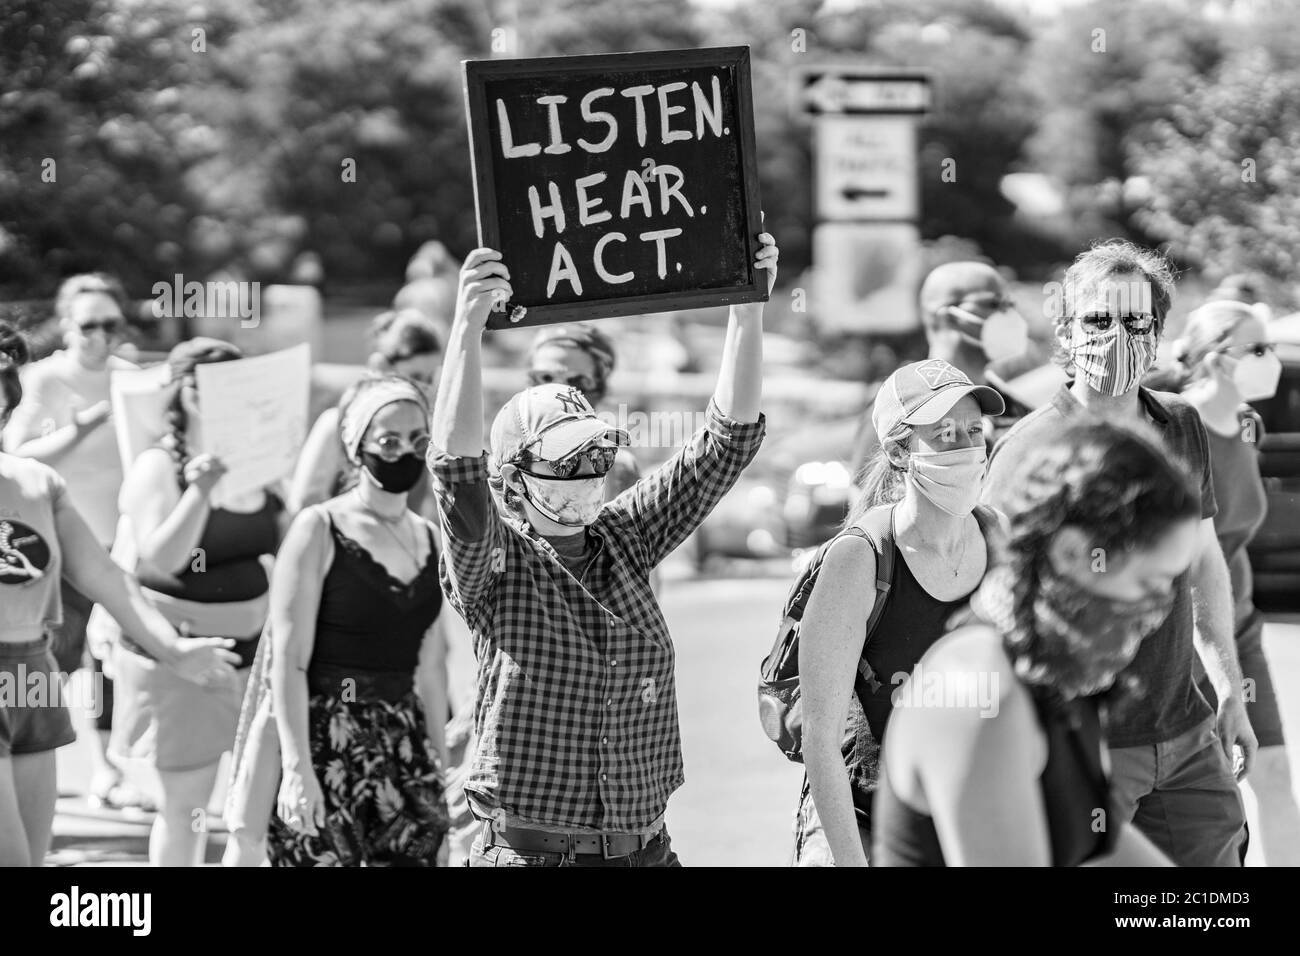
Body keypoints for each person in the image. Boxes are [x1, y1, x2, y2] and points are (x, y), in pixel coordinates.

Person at [428, 233, 777, 867]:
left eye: (596, 453)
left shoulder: (626, 536)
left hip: (646, 850)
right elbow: (456, 473)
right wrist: (466, 328)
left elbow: (727, 444)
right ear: (512, 477)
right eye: (568, 460)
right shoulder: (498, 564)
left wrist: (746, 307)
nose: (592, 470)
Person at [983, 240, 1253, 867]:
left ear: (1158, 335)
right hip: (1089, 738)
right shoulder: (1030, 448)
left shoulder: (1179, 425)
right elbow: (998, 598)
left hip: (1186, 728)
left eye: (1136, 322)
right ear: (1066, 330)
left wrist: (1227, 684)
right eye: (1098, 319)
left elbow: (1203, 560)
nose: (1116, 337)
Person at [874, 420, 1197, 866]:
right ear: (1070, 553)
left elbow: (1095, 842)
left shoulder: (1058, 662)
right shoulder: (980, 691)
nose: (1159, 610)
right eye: (1150, 582)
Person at [1, 334, 238, 866]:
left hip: (32, 680)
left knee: (30, 859)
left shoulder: (38, 483)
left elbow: (107, 576)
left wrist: (174, 650)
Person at [794, 359, 1004, 866]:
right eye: (944, 434)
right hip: (865, 822)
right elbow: (818, 742)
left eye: (974, 431)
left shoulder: (1000, 536)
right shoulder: (859, 557)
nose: (966, 448)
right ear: (897, 452)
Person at [110, 338, 285, 866]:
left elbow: (287, 541)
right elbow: (163, 558)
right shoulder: (157, 466)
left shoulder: (260, 462)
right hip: (180, 660)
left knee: (256, 810)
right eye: (208, 383)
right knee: (186, 810)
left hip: (256, 659)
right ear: (183, 391)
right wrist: (199, 491)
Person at [267, 376, 450, 866]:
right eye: (387, 441)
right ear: (357, 447)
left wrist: (443, 768)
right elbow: (288, 662)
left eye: (418, 440)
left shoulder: (434, 539)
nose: (404, 452)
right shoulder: (319, 528)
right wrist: (296, 769)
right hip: (326, 738)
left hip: (405, 742)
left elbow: (432, 670)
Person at [1147, 300, 1300, 865]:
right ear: (1216, 359)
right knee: (1213, 794)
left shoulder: (1246, 426)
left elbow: (1233, 536)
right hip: (1183, 640)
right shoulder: (1175, 427)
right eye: (1257, 349)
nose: (1271, 360)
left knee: (1276, 770)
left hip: (1242, 628)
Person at [2, 274, 141, 810]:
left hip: (114, 542)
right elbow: (16, 455)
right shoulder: (38, 379)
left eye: (111, 324)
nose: (100, 336)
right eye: (89, 325)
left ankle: (106, 770)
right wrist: (80, 429)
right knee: (50, 660)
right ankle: (29, 763)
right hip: (46, 548)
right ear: (66, 325)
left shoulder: (133, 379)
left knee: (106, 663)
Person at [849, 261, 1030, 482]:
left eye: (1010, 304)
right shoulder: (897, 409)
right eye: (994, 303)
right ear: (946, 315)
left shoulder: (1017, 411)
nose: (1008, 314)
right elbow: (865, 503)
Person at [289, 308, 444, 517]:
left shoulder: (425, 432)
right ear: (380, 366)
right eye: (414, 375)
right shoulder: (336, 423)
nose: (424, 387)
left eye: (430, 377)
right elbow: (305, 502)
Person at [526, 323, 642, 500]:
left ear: (598, 385)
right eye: (546, 378)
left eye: (576, 381)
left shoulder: (619, 467)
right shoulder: (502, 464)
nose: (559, 394)